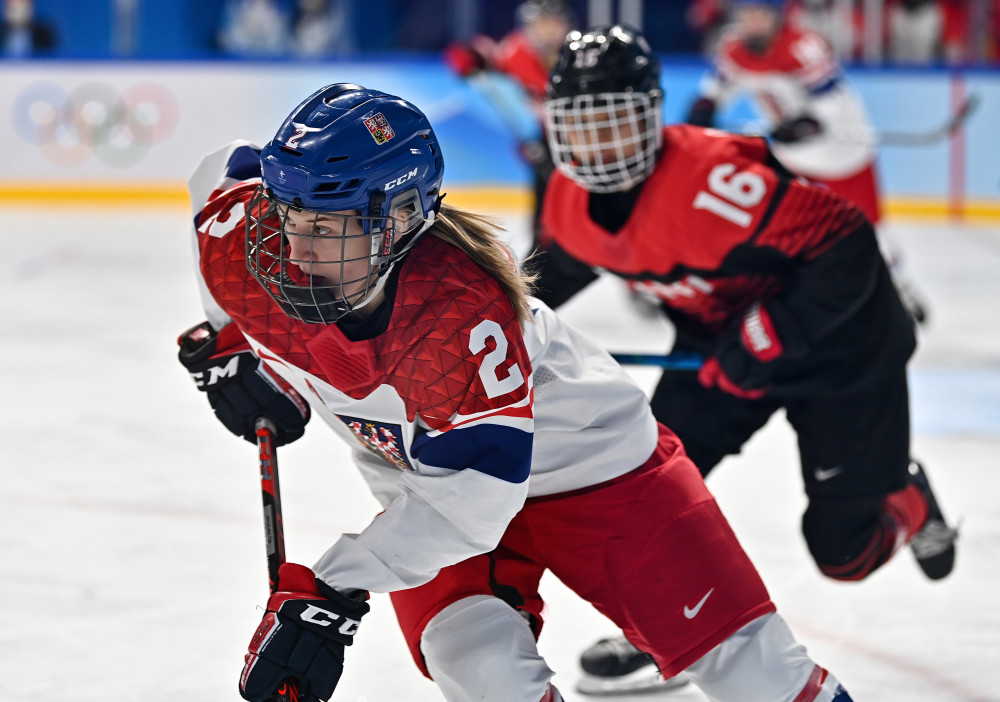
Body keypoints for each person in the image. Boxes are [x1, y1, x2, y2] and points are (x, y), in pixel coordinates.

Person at [177, 82, 860, 702]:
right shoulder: (246, 242)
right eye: (291, 218)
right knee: (480, 669)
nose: (295, 251)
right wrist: (229, 345)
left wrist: (332, 588)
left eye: (326, 228)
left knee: (756, 672)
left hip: (597, 473)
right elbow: (218, 172)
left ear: (399, 217)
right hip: (428, 487)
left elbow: (474, 502)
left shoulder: (457, 319)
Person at [531, 24, 959, 695]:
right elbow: (548, 277)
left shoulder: (714, 179)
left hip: (843, 350)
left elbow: (845, 246)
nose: (599, 147)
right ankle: (672, 629)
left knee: (844, 553)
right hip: (721, 347)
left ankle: (911, 500)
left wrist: (760, 340)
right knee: (636, 488)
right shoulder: (567, 201)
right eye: (581, 127)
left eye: (615, 123)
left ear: (651, 118)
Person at [685, 0, 929, 324]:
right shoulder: (733, 49)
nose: (752, 23)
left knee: (871, 231)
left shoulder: (804, 47)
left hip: (842, 154)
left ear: (777, 17)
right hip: (794, 157)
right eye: (746, 15)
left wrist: (805, 124)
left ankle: (901, 288)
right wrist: (705, 105)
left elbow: (830, 105)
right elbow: (718, 87)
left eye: (760, 15)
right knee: (792, 231)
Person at [444, 0, 573, 239]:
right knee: (548, 192)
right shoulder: (514, 53)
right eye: (541, 24)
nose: (547, 31)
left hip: (578, 135)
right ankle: (543, 247)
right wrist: (470, 60)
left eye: (553, 23)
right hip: (542, 137)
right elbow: (469, 59)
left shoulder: (577, 54)